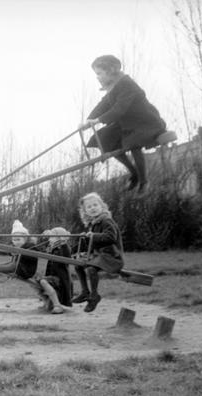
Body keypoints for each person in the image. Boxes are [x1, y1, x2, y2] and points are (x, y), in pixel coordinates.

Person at [79, 55, 167, 192]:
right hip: (126, 123)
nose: (98, 77)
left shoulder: (127, 84)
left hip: (144, 122)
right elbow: (103, 105)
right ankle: (134, 173)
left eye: (99, 73)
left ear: (111, 70)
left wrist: (98, 120)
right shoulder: (112, 87)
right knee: (106, 140)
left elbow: (119, 109)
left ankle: (144, 181)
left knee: (133, 143)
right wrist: (88, 121)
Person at [72, 192, 124, 313]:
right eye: (89, 207)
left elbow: (111, 237)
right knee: (78, 265)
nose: (93, 208)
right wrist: (86, 238)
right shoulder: (94, 223)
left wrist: (93, 236)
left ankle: (94, 296)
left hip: (113, 257)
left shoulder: (106, 221)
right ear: (85, 211)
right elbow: (94, 242)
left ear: (102, 206)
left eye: (95, 205)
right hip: (101, 256)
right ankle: (85, 292)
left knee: (91, 269)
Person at [36, 227, 73, 314]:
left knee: (43, 282)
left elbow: (65, 256)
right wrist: (46, 235)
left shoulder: (64, 248)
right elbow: (44, 247)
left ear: (60, 239)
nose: (49, 239)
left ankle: (57, 305)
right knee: (37, 280)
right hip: (53, 276)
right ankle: (48, 303)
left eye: (52, 237)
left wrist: (63, 241)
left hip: (60, 278)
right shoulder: (54, 248)